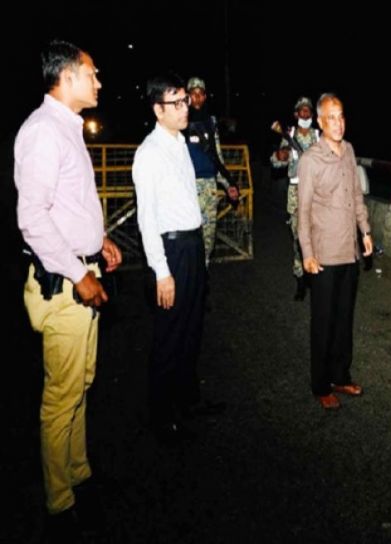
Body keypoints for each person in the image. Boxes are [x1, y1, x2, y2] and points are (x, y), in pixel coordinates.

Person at [14, 39, 122, 534]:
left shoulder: (66, 128)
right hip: (64, 283)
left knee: (81, 382)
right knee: (61, 395)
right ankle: (60, 502)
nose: (99, 82)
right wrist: (79, 274)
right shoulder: (43, 132)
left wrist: (99, 242)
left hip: (81, 270)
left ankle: (78, 473)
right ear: (68, 76)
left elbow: (68, 206)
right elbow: (32, 219)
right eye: (92, 73)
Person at [132, 73, 222, 446]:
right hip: (172, 251)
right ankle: (161, 416)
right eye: (177, 103)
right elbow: (146, 219)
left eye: (186, 101)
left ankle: (187, 400)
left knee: (192, 328)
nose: (186, 108)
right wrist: (161, 272)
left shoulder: (181, 142)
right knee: (170, 334)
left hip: (193, 244)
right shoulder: (148, 153)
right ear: (158, 110)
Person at [297, 93, 372, 410]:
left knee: (344, 319)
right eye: (331, 117)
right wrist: (307, 253)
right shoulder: (310, 160)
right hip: (324, 254)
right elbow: (302, 211)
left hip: (348, 251)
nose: (338, 123)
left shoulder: (349, 150)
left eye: (341, 116)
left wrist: (365, 230)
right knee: (323, 322)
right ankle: (320, 385)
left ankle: (341, 376)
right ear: (320, 121)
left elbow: (356, 195)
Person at [184, 76, 239, 266]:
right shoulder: (180, 122)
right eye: (193, 94)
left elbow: (216, 157)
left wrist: (228, 183)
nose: (197, 98)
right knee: (188, 240)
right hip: (187, 188)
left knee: (207, 241)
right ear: (187, 96)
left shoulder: (210, 122)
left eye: (201, 94)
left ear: (205, 96)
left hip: (209, 187)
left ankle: (203, 273)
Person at [271, 96, 320, 300]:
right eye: (302, 110)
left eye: (308, 110)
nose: (305, 114)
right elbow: (277, 161)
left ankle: (316, 278)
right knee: (299, 240)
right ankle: (300, 280)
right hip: (296, 193)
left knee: (318, 238)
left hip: (317, 194)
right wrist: (279, 156)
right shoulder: (288, 135)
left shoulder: (318, 136)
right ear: (296, 114)